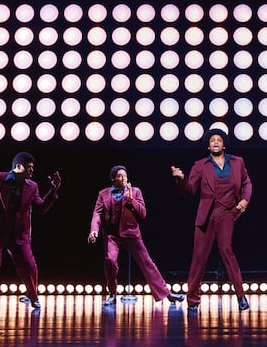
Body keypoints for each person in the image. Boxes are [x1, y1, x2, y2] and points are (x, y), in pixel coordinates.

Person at [170, 128, 252, 311]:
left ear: (224, 144)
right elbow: (190, 189)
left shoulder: (237, 162)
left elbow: (247, 182)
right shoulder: (200, 165)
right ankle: (192, 300)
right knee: (199, 256)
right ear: (208, 146)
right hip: (206, 215)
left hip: (227, 212)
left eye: (219, 140)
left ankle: (241, 297)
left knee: (226, 250)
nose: (216, 142)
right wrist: (181, 180)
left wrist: (245, 200)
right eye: (212, 140)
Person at [0, 151, 61, 310]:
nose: (32, 170)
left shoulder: (32, 186)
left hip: (18, 234)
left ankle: (33, 297)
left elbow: (40, 208)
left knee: (29, 265)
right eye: (29, 167)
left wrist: (53, 190)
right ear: (19, 166)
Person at [88, 165, 185, 305]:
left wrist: (130, 200)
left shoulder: (135, 191)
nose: (123, 178)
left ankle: (166, 293)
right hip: (111, 234)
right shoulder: (103, 194)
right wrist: (94, 230)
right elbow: (97, 213)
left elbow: (143, 214)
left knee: (147, 262)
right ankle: (112, 293)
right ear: (113, 178)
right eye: (120, 176)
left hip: (131, 232)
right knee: (110, 261)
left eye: (125, 176)